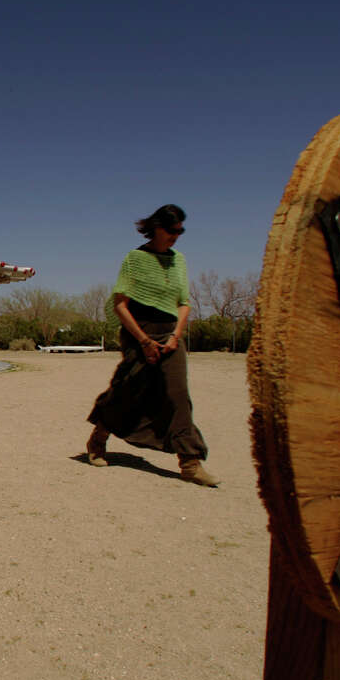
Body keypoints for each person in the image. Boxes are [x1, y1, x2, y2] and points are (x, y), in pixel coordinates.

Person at [85, 204, 220, 487]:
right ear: (156, 227)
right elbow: (121, 305)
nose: (176, 236)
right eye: (172, 230)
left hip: (171, 334)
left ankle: (190, 463)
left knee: (178, 395)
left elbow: (184, 303)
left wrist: (175, 336)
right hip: (139, 332)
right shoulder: (135, 259)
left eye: (180, 231)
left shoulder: (179, 261)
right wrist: (144, 341)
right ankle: (98, 438)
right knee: (127, 390)